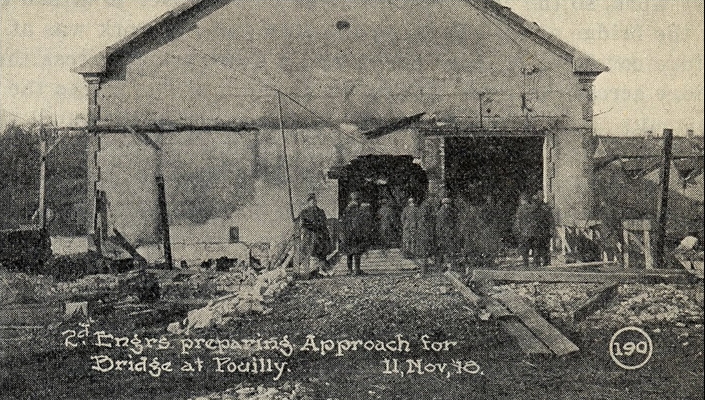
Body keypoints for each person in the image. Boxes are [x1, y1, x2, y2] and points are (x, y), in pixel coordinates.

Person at [299, 193, 332, 277]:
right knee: (310, 253)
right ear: (308, 202)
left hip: (320, 236)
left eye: (314, 201)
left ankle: (321, 271)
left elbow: (324, 222)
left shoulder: (320, 211)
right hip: (310, 235)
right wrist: (312, 226)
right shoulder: (304, 212)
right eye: (311, 201)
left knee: (321, 254)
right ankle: (310, 272)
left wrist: (324, 232)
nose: (313, 202)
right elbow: (303, 224)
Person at [341, 192, 368, 275]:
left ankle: (350, 270)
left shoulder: (347, 209)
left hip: (348, 234)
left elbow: (343, 222)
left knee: (350, 253)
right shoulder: (357, 209)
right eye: (357, 199)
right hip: (355, 233)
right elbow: (360, 222)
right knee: (356, 252)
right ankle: (356, 270)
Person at [531, 191, 554, 267]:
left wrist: (551, 230)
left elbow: (551, 220)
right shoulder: (534, 207)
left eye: (541, 196)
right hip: (536, 231)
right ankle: (536, 264)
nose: (540, 198)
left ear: (543, 197)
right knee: (536, 248)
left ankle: (546, 263)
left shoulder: (546, 207)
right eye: (539, 196)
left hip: (544, 231)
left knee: (546, 248)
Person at [435, 197, 456, 271]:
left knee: (449, 250)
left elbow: (453, 223)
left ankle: (448, 266)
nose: (447, 205)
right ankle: (442, 266)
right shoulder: (441, 212)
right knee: (443, 250)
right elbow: (439, 225)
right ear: (443, 204)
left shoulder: (451, 212)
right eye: (446, 204)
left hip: (449, 234)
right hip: (443, 234)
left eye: (448, 204)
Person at [513, 193, 534, 268]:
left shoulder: (520, 209)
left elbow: (518, 221)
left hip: (524, 232)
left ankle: (526, 264)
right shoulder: (532, 208)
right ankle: (536, 264)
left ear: (522, 200)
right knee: (533, 248)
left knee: (524, 249)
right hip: (532, 231)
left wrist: (517, 231)